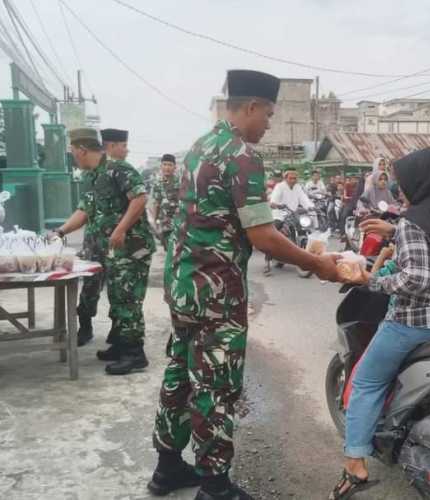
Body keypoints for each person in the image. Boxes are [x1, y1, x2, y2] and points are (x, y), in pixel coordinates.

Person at [150, 69, 339, 499]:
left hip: (183, 286)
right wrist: (318, 264)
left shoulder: (199, 148)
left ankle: (167, 468)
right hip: (216, 291)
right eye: (269, 114)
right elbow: (263, 235)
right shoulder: (241, 155)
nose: (269, 123)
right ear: (250, 107)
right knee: (216, 384)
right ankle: (215, 487)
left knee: (180, 371)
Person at [329, 143, 430, 499]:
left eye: (405, 182)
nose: (401, 189)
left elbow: (414, 279)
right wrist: (395, 228)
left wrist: (370, 280)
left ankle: (355, 464)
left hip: (415, 324)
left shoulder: (415, 223)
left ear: (423, 182)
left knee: (367, 382)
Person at [51, 128, 155, 375]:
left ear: (82, 149)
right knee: (117, 298)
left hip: (131, 249)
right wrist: (60, 231)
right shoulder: (91, 176)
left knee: (128, 300)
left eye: (73, 151)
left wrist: (119, 230)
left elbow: (139, 198)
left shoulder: (119, 168)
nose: (72, 156)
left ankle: (134, 354)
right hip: (110, 251)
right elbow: (84, 210)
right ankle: (120, 346)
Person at [266, 169, 315, 274]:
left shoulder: (298, 187)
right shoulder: (279, 186)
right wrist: (276, 204)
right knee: (272, 235)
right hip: (280, 214)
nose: (293, 180)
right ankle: (267, 261)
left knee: (304, 227)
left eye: (295, 178)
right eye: (291, 178)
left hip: (293, 213)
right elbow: (273, 200)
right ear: (285, 178)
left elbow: (304, 198)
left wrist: (311, 207)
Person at [147, 153, 180, 251]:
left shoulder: (181, 181)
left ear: (175, 167)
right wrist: (155, 220)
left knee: (179, 250)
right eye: (165, 164)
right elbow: (157, 203)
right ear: (161, 166)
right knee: (168, 250)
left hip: (179, 221)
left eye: (170, 165)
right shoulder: (158, 183)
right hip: (164, 222)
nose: (167, 167)